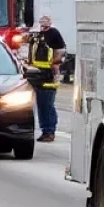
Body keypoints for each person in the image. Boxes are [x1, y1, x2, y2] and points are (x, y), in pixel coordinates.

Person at [28, 15, 65, 143]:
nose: (43, 24)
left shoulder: (54, 34)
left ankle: (49, 131)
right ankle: (45, 131)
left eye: (46, 22)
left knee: (47, 105)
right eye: (41, 22)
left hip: (48, 76)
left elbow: (60, 52)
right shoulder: (37, 36)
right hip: (35, 74)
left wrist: (55, 66)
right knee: (40, 105)